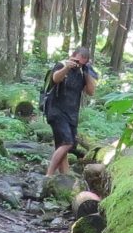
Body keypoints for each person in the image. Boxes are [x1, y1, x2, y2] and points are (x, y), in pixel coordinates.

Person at [42, 46, 98, 178]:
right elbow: (55, 79)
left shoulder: (82, 72)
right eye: (77, 61)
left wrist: (87, 71)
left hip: (72, 114)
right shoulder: (61, 65)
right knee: (67, 142)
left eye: (82, 62)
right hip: (56, 111)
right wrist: (67, 67)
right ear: (72, 56)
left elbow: (90, 91)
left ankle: (65, 176)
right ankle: (48, 175)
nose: (78, 64)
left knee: (64, 145)